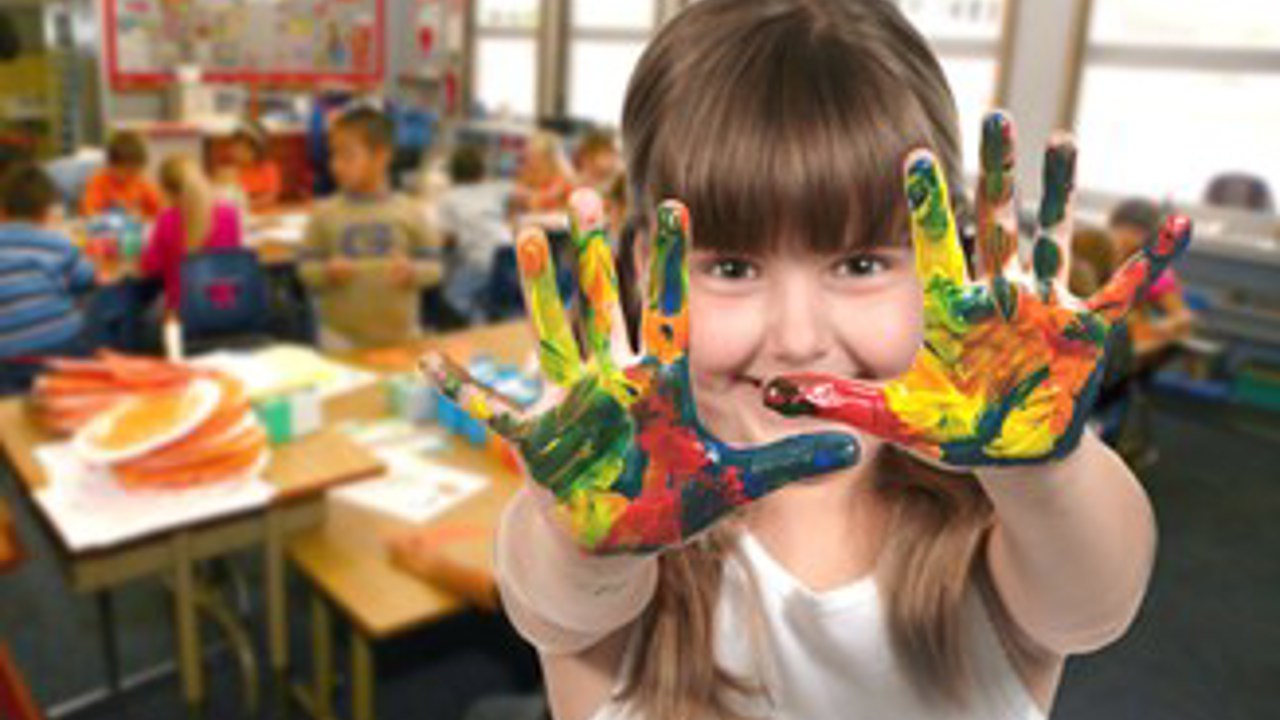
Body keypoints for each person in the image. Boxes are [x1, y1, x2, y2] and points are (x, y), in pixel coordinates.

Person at [420, 1, 1193, 719]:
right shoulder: (618, 514)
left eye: (860, 264)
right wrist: (582, 544)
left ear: (946, 265)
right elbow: (554, 602)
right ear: (646, 268)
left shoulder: (1003, 516)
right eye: (732, 267)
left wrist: (1043, 475)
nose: (796, 338)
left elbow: (1095, 605)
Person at [298, 106, 441, 349]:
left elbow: (434, 266)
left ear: (381, 157)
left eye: (347, 156)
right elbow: (306, 269)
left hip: (402, 336)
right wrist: (326, 272)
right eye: (333, 154)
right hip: (340, 338)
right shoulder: (324, 212)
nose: (336, 165)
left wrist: (413, 272)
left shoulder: (411, 210)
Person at [0, 164, 95, 394]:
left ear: (2, 209)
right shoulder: (57, 243)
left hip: (8, 357)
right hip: (63, 346)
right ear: (46, 213)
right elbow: (87, 278)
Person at [140, 156, 243, 312]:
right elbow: (233, 255)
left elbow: (152, 266)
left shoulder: (166, 220)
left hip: (184, 311)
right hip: (226, 307)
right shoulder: (229, 213)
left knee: (146, 310)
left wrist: (143, 250)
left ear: (167, 191)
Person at [436, 145, 513, 323]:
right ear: (482, 171)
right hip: (509, 255)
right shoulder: (493, 190)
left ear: (452, 174)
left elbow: (446, 240)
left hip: (481, 261)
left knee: (452, 297)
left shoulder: (448, 199)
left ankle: (478, 327)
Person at [1108, 197, 1195, 352]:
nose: (1124, 237)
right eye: (1119, 229)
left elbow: (1183, 317)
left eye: (1135, 233)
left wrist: (1158, 328)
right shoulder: (1101, 255)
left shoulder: (1154, 271)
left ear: (1149, 238)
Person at [81, 131, 163, 219]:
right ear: (111, 165)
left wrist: (144, 217)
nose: (130, 176)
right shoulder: (99, 181)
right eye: (127, 171)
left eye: (134, 171)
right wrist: (100, 218)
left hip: (136, 225)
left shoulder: (142, 182)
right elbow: (88, 210)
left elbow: (161, 209)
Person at [224, 120, 282, 210]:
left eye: (245, 149)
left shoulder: (268, 167)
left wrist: (249, 204)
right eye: (236, 147)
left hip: (265, 212)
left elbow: (271, 196)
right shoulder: (230, 171)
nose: (240, 153)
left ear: (259, 151)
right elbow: (227, 197)